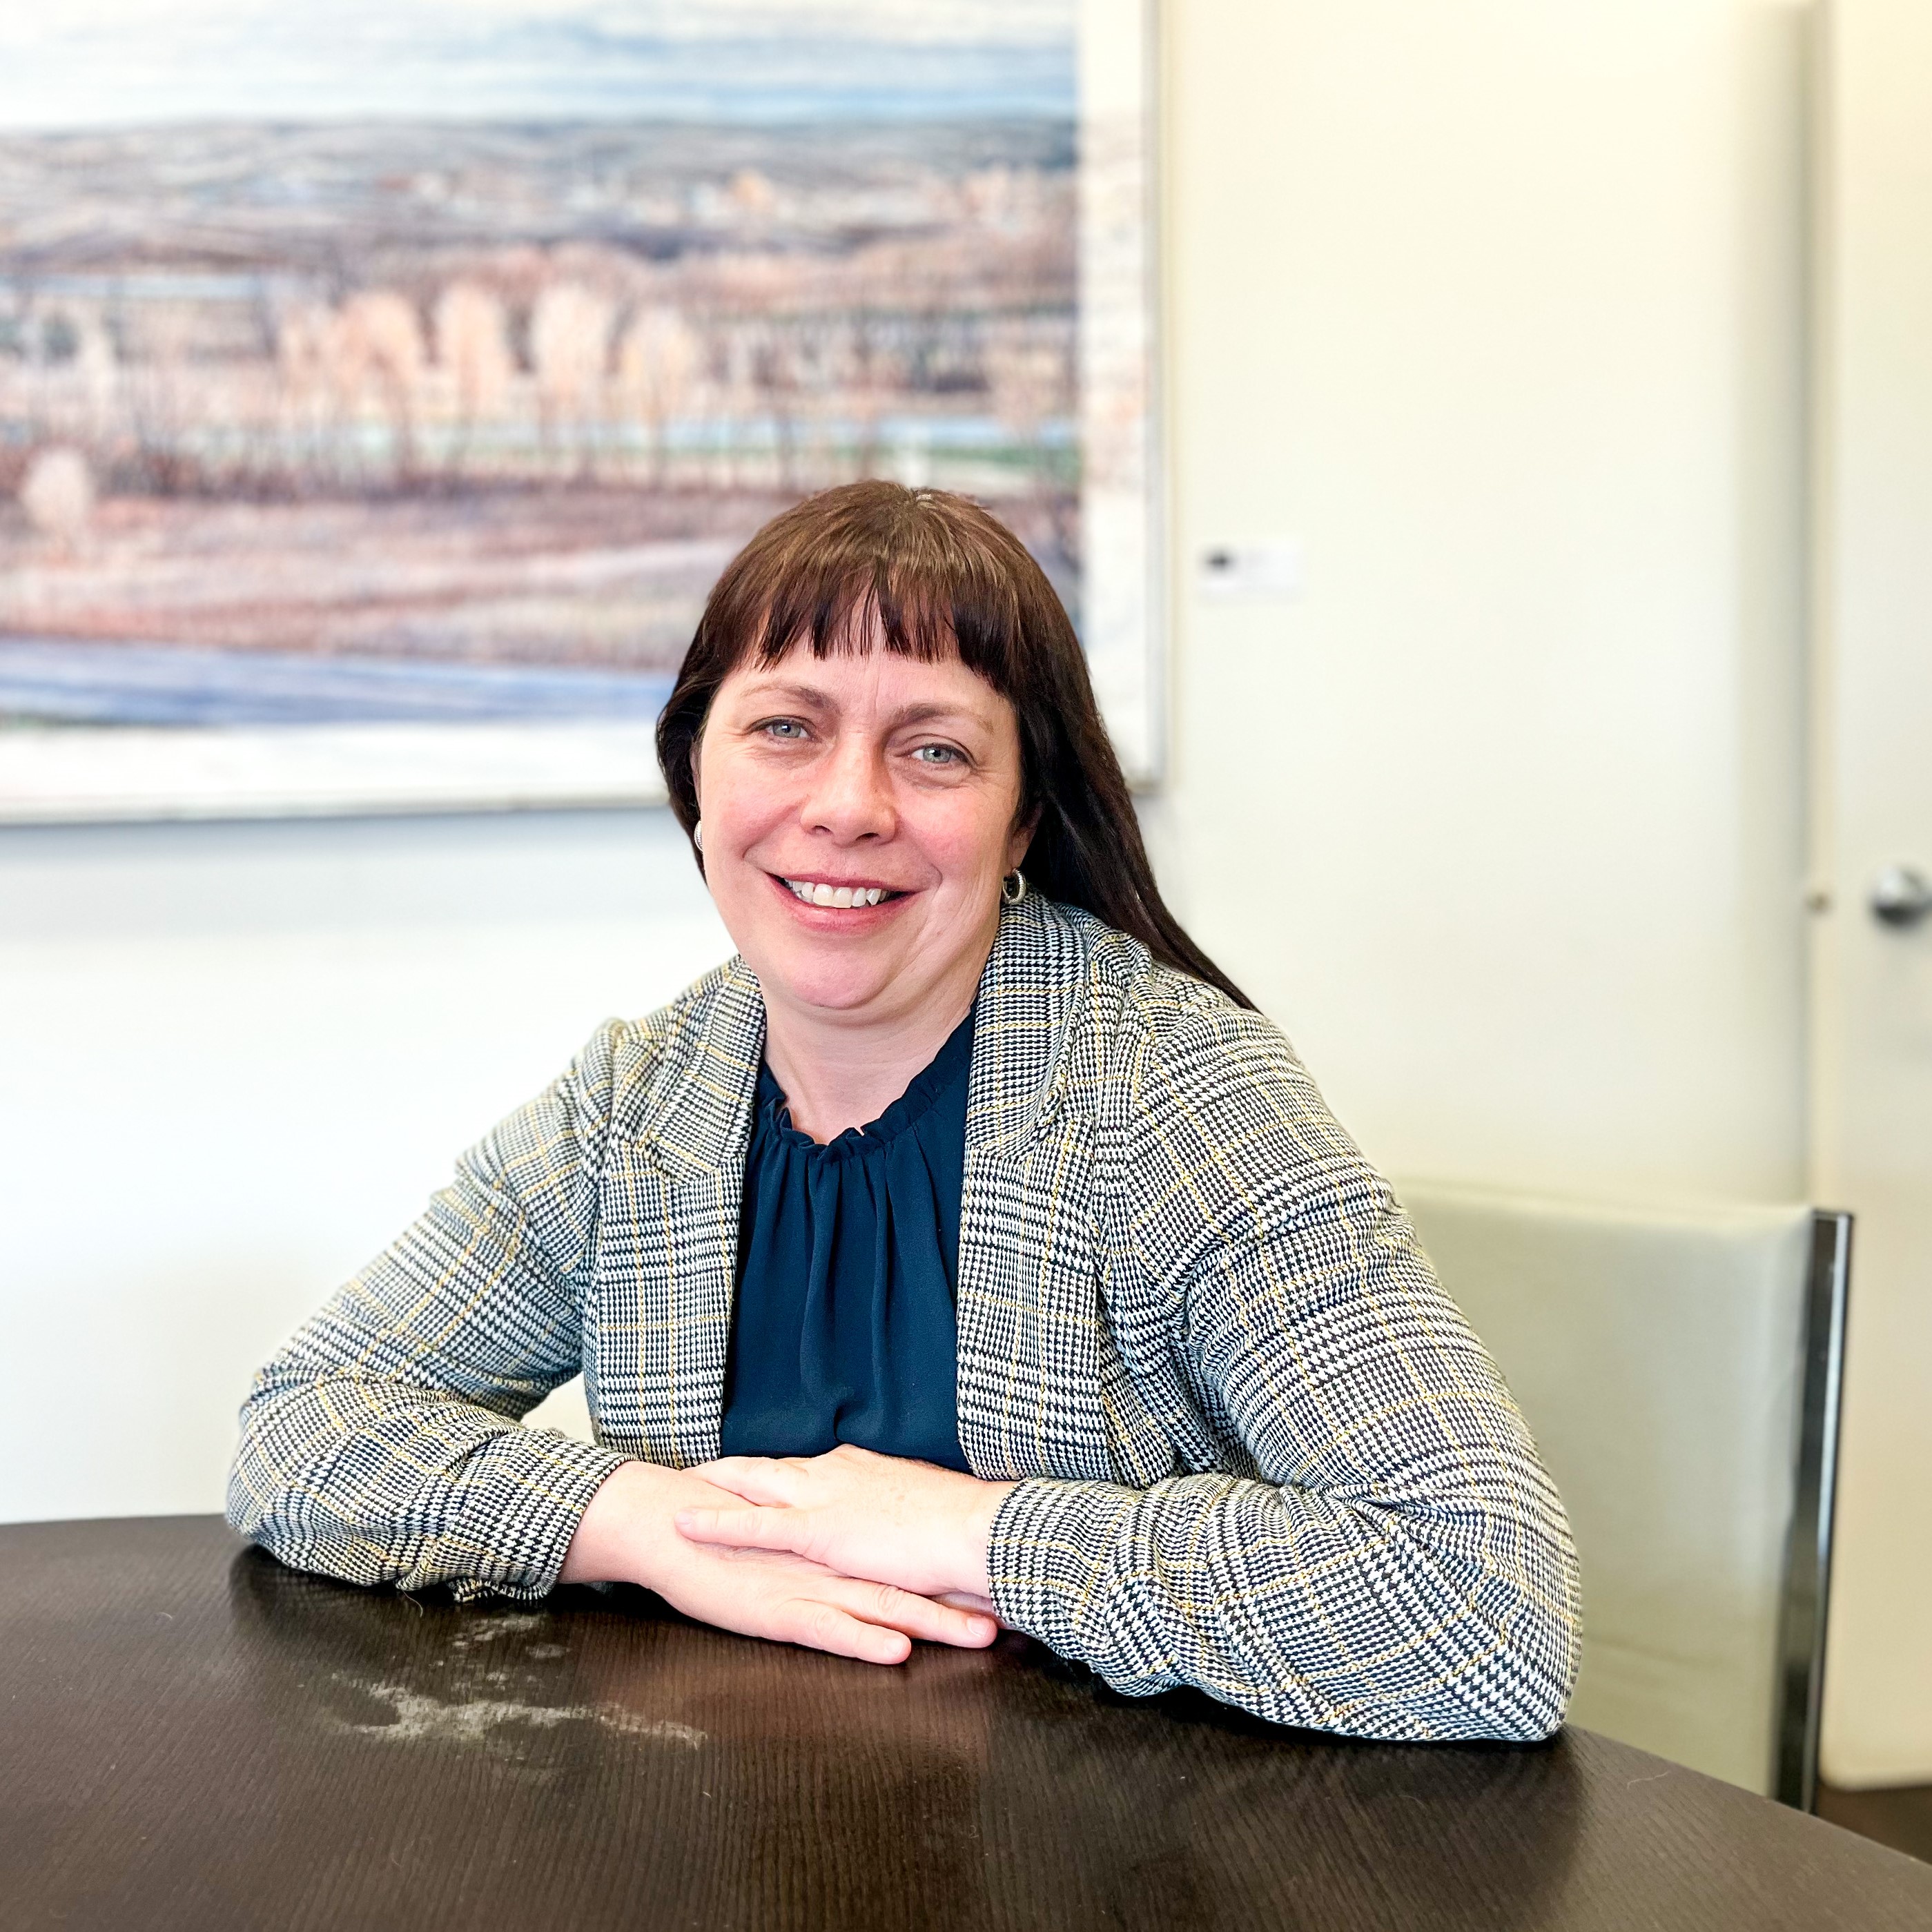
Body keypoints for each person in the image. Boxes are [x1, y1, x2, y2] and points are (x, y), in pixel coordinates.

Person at [229, 481, 1580, 1739]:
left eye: (933, 750)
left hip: (1125, 1850)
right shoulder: (632, 1104)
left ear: (1020, 818)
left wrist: (974, 1533)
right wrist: (637, 1516)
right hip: (723, 1815)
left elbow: (1483, 1599)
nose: (846, 806)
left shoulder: (1174, 1095)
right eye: (784, 727)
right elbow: (302, 1426)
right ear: (693, 773)